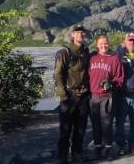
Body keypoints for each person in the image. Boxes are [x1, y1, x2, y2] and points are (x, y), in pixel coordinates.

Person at [54, 24, 90, 164]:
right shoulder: (65, 52)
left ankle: (77, 154)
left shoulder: (86, 51)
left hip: (83, 96)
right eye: (77, 32)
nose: (80, 35)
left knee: (80, 129)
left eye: (82, 32)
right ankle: (63, 156)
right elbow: (58, 74)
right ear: (72, 35)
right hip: (69, 96)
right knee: (65, 129)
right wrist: (63, 95)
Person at [88, 34, 124, 160]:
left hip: (107, 97)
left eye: (106, 43)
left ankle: (108, 149)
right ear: (97, 45)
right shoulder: (92, 57)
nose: (103, 46)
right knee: (96, 124)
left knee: (107, 124)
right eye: (101, 43)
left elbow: (119, 78)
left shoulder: (114, 58)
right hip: (93, 96)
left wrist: (111, 84)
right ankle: (98, 149)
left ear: (109, 44)